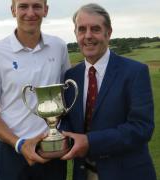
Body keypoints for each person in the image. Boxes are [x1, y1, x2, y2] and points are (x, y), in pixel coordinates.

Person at [60, 3, 157, 180]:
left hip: (126, 174)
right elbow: (68, 120)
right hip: (83, 174)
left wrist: (90, 142)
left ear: (108, 33)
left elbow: (141, 128)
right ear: (76, 34)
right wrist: (56, 137)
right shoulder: (70, 77)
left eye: (95, 29)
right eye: (82, 29)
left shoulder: (135, 72)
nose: (88, 36)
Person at [0, 0, 70, 179]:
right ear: (13, 10)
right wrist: (20, 144)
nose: (30, 13)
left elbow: (66, 94)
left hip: (53, 148)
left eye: (37, 6)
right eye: (23, 6)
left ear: (46, 10)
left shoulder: (58, 47)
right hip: (12, 151)